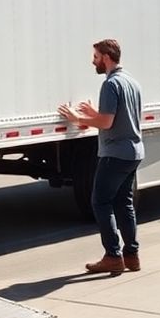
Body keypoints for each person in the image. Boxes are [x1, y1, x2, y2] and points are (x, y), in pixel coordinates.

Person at [57, 38, 144, 276]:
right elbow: (118, 118)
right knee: (124, 204)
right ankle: (132, 255)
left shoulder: (110, 84)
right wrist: (94, 114)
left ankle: (113, 256)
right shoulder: (131, 82)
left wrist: (78, 119)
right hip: (133, 152)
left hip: (115, 154)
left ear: (106, 57)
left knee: (100, 202)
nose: (92, 61)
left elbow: (107, 122)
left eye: (95, 56)